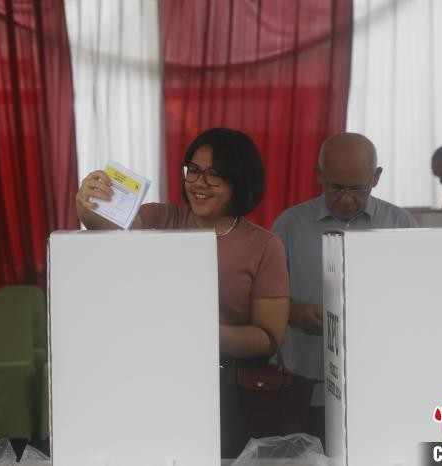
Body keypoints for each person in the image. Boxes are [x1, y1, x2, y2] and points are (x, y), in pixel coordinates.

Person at [76, 127, 291, 457]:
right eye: (193, 170)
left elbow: (269, 337)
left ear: (240, 181)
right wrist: (87, 202)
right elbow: (101, 227)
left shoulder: (264, 245)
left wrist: (195, 332)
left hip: (226, 388)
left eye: (214, 175)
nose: (199, 183)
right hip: (152, 381)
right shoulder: (159, 217)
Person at [271, 132, 418, 445]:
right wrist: (294, 312)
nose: (347, 199)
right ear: (319, 175)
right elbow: (265, 297)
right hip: (303, 376)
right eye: (336, 187)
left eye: (358, 189)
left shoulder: (400, 225)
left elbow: (417, 298)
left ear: (376, 178)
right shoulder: (290, 225)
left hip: (378, 377)